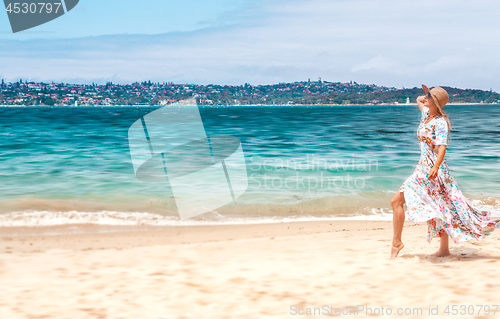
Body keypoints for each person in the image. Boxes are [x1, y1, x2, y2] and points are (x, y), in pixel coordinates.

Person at [390, 84, 500, 258]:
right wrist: (428, 96)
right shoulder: (426, 114)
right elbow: (418, 99)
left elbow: (442, 148)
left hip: (432, 170)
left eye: (429, 96)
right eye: (427, 94)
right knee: (442, 206)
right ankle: (442, 250)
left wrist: (435, 167)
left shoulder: (440, 122)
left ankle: (398, 243)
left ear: (435, 101)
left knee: (398, 201)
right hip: (422, 167)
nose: (425, 97)